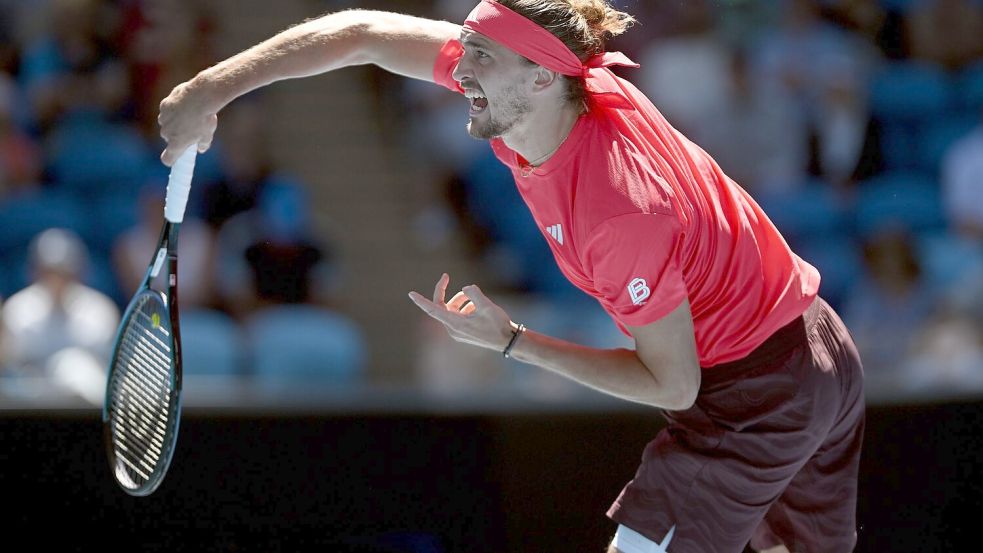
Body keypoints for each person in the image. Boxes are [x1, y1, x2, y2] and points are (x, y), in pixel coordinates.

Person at [156, 2, 865, 552]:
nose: (460, 70)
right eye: (465, 49)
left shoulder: (613, 207)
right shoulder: (549, 90)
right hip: (818, 346)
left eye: (481, 58)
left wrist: (512, 341)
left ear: (540, 76)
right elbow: (363, 32)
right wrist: (211, 87)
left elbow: (674, 385)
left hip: (753, 394)